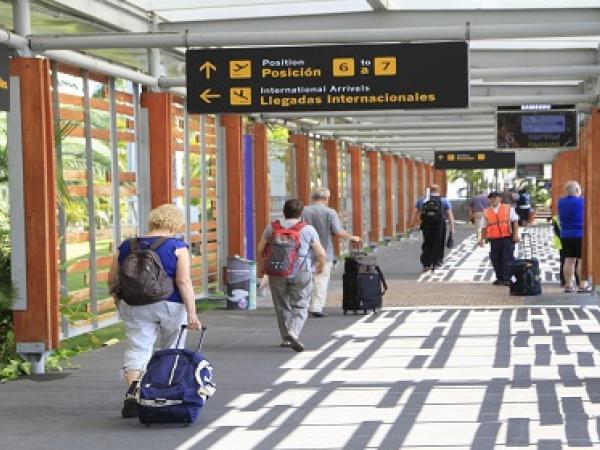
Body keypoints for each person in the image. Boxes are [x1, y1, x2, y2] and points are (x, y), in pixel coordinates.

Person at [107, 204, 202, 418]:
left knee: (138, 349)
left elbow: (111, 279)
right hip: (171, 305)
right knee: (171, 349)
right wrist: (192, 313)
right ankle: (161, 394)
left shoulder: (126, 246)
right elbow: (183, 281)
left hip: (134, 305)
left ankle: (133, 392)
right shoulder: (178, 247)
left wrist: (120, 303)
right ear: (175, 224)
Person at [257, 198, 327, 352]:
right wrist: (320, 265)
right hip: (301, 270)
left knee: (281, 305)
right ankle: (293, 332)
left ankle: (286, 339)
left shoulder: (272, 227)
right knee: (301, 303)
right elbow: (321, 253)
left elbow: (260, 248)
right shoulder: (307, 229)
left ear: (284, 212)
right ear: (301, 214)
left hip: (277, 271)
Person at [302, 187, 361, 318]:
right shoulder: (330, 212)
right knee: (321, 280)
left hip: (305, 252)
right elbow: (338, 231)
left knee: (305, 279)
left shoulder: (303, 211)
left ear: (313, 198)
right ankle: (316, 307)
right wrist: (353, 238)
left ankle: (302, 306)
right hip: (324, 252)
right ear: (326, 198)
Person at [410, 184, 455, 272]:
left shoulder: (422, 200)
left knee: (427, 243)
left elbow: (414, 212)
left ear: (429, 190)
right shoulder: (444, 200)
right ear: (439, 190)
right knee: (439, 243)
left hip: (426, 224)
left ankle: (426, 264)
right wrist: (452, 227)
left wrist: (412, 224)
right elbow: (450, 215)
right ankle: (436, 263)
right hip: (440, 225)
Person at [478, 192, 520, 285]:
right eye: (491, 198)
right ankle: (499, 277)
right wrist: (482, 239)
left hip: (507, 237)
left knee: (507, 258)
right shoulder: (486, 212)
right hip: (494, 239)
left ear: (500, 199)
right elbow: (483, 227)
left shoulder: (508, 208)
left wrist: (516, 234)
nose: (493, 200)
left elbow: (515, 221)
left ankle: (507, 278)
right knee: (495, 259)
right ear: (488, 200)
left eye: (495, 198)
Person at [558, 181, 591, 293]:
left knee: (569, 259)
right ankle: (583, 285)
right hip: (580, 234)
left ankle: (568, 285)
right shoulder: (583, 202)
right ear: (577, 190)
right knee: (582, 260)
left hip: (566, 234)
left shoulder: (561, 202)